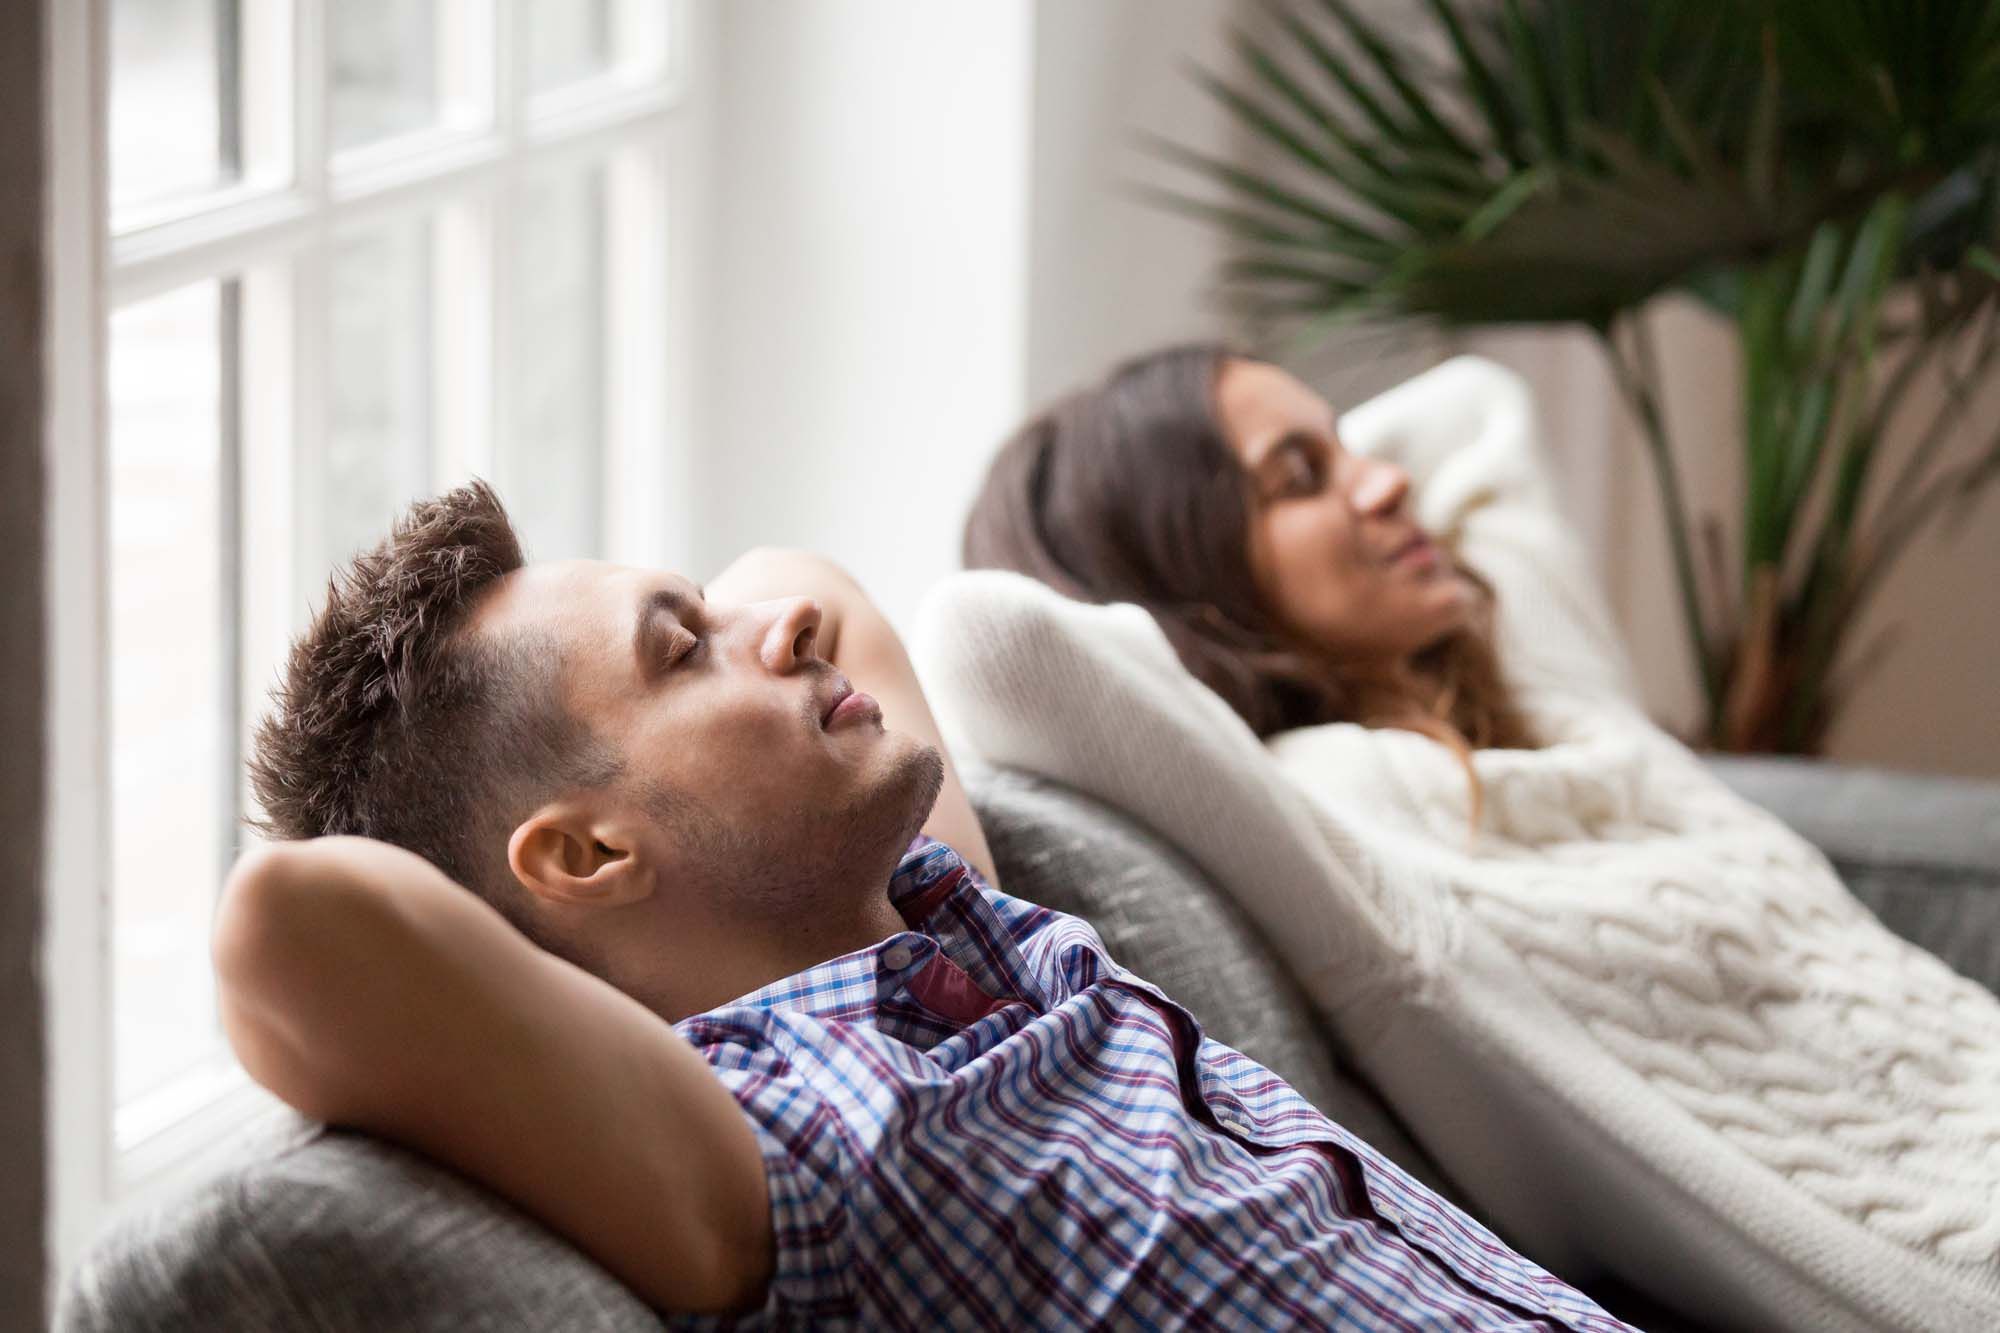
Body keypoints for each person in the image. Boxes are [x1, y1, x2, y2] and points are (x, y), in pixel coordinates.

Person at [215, 480, 1634, 1330]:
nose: (781, 628)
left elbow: (799, 577)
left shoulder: (944, 910)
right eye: (680, 650)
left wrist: (711, 631)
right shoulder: (769, 1143)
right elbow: (288, 927)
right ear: (583, 859)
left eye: (704, 610)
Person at [958, 344, 2000, 1330]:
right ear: (1188, 576)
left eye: (1348, 450)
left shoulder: (1542, 702)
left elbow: (1471, 405)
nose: (1387, 484)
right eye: (1299, 477)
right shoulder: (1337, 828)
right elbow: (993, 641)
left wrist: (1299, 466)